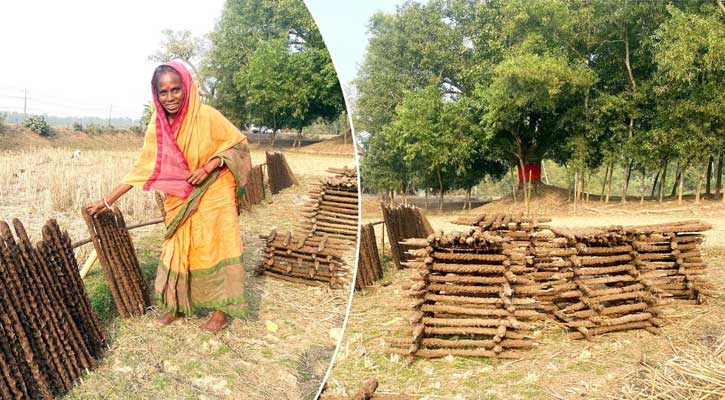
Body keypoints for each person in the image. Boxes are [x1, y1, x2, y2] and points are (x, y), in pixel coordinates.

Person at [85, 60, 252, 333]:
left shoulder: (207, 116)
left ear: (186, 87)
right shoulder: (158, 127)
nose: (170, 97)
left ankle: (221, 312)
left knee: (216, 246)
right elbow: (145, 168)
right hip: (179, 198)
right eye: (163, 92)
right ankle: (177, 306)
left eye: (176, 89)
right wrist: (107, 201)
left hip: (215, 191)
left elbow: (238, 145)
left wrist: (208, 166)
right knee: (177, 247)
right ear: (155, 94)